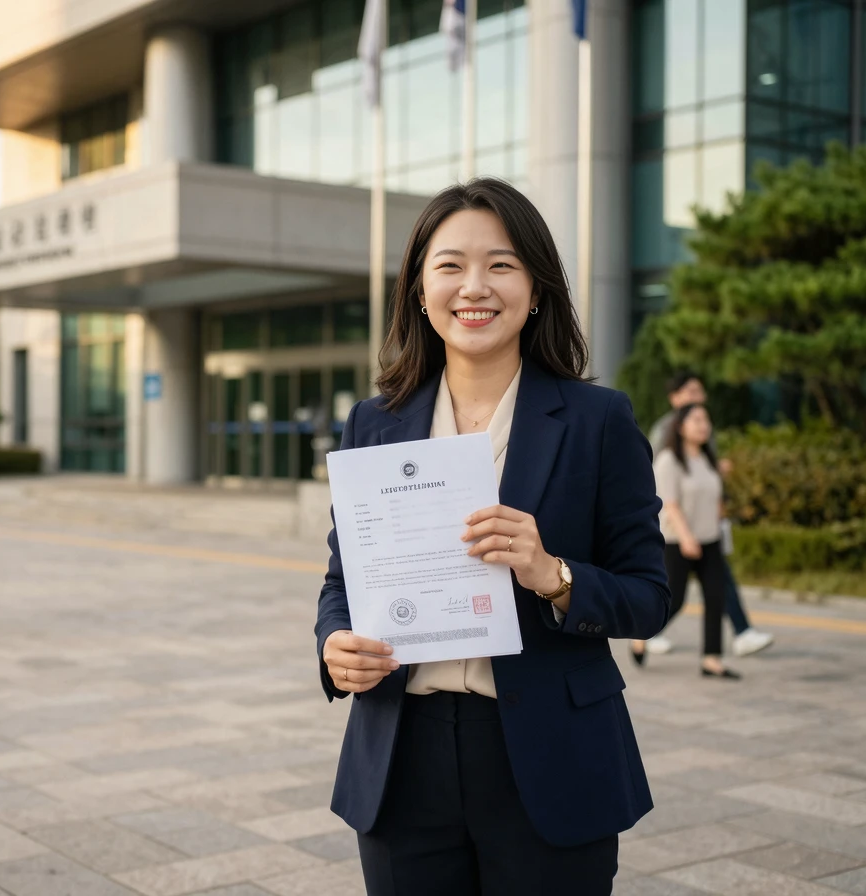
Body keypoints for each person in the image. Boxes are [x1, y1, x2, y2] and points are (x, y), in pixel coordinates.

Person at [315, 178, 671, 896]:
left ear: (535, 288)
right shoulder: (374, 423)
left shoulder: (598, 420)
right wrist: (334, 646)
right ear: (420, 289)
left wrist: (555, 575)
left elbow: (650, 595)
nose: (474, 286)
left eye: (501, 264)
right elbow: (341, 583)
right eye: (449, 265)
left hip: (551, 756)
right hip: (402, 755)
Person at [647, 372, 773, 658]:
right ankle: (646, 633)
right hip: (679, 534)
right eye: (691, 392)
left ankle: (724, 649)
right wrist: (683, 532)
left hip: (707, 531)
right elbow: (662, 487)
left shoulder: (704, 441)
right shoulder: (665, 435)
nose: (698, 398)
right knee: (675, 596)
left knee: (717, 590)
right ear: (675, 398)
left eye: (700, 392)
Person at [631, 404, 739, 679]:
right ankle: (641, 635)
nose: (704, 425)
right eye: (697, 420)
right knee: (674, 600)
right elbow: (671, 504)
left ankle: (712, 660)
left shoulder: (707, 458)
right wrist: (687, 537)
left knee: (716, 598)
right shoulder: (669, 460)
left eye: (706, 419)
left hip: (710, 539)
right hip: (679, 542)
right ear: (681, 427)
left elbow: (715, 497)